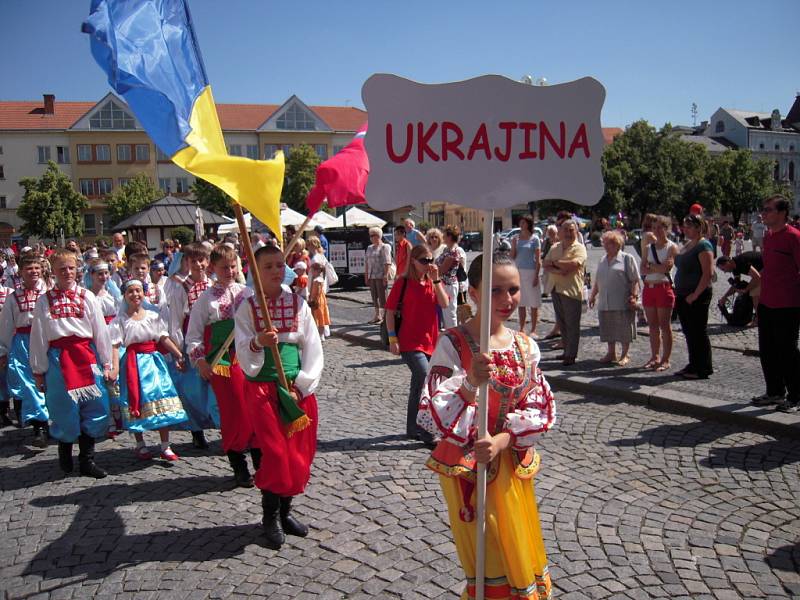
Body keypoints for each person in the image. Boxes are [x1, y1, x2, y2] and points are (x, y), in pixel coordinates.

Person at [416, 251, 556, 600]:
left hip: (508, 463)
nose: (507, 300)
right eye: (495, 290)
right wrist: (469, 383)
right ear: (474, 292)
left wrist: (503, 441)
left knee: (515, 548)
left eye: (513, 290)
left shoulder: (526, 347)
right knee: (485, 555)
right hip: (467, 467)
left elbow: (535, 405)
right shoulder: (454, 343)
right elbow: (433, 406)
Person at [233, 244, 323, 550]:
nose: (274, 271)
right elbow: (243, 347)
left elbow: (312, 347)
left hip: (295, 390)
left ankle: (286, 512)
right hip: (262, 389)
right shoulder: (248, 307)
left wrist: (302, 384)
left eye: (278, 265)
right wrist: (258, 340)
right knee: (274, 454)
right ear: (256, 272)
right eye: (267, 266)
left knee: (299, 454)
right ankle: (269, 516)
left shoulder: (298, 305)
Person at [30, 249, 114, 478]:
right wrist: (38, 370)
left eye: (70, 267)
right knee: (63, 408)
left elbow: (100, 331)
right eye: (61, 269)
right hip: (59, 360)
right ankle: (65, 452)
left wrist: (106, 363)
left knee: (94, 406)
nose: (67, 272)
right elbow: (37, 335)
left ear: (77, 269)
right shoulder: (44, 301)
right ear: (54, 272)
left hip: (86, 356)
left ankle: (87, 459)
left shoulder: (88, 297)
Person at [186, 244, 259, 485]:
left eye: (232, 266)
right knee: (233, 412)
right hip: (223, 363)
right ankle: (238, 465)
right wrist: (200, 362)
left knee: (255, 409)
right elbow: (193, 335)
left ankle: (262, 462)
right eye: (224, 267)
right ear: (213, 268)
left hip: (248, 359)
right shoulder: (205, 299)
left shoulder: (247, 293)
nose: (229, 270)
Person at [109, 279, 187, 461]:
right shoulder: (120, 320)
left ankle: (165, 445)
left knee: (161, 395)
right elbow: (115, 345)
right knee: (136, 400)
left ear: (144, 293)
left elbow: (163, 338)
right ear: (124, 296)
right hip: (132, 364)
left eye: (138, 291)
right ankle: (140, 443)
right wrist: (113, 368)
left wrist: (178, 354)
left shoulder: (153, 316)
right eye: (130, 292)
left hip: (153, 363)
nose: (135, 295)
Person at [386, 244, 449, 442]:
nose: (428, 264)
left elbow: (445, 303)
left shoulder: (432, 282)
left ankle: (412, 427)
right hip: (409, 341)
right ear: (413, 261)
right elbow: (389, 312)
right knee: (424, 377)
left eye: (431, 260)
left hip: (430, 341)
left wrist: (437, 279)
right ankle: (426, 430)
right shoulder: (402, 283)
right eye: (424, 261)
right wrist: (392, 338)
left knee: (418, 384)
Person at [751, 196, 800, 412]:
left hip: (788, 304)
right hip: (767, 302)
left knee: (787, 351)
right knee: (767, 350)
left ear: (782, 213)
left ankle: (796, 395)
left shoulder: (794, 237)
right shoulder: (769, 237)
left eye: (768, 209)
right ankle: (775, 391)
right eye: (763, 209)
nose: (764, 213)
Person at [167, 242, 218, 449]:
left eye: (201, 260)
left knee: (218, 388)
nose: (198, 264)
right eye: (193, 260)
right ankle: (196, 430)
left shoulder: (214, 285)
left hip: (214, 342)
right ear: (187, 262)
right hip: (192, 341)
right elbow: (176, 321)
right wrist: (179, 351)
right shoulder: (181, 289)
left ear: (208, 262)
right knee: (193, 390)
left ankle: (225, 427)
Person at [0, 253, 48, 445]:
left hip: (45, 340)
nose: (33, 272)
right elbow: (6, 325)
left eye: (36, 268)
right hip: (22, 342)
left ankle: (50, 421)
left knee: (49, 383)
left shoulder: (48, 293)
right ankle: (39, 426)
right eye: (29, 268)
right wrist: (3, 351)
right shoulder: (13, 298)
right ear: (20, 272)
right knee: (29, 385)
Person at [589, 231, 640, 366]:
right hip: (605, 301)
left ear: (617, 244)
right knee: (608, 328)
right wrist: (593, 295)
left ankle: (625, 354)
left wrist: (633, 296)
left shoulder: (627, 259)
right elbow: (597, 281)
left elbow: (635, 280)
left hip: (621, 300)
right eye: (604, 243)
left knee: (624, 329)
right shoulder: (602, 259)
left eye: (609, 243)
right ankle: (611, 353)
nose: (606, 246)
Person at [674, 214, 715, 380]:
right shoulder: (687, 244)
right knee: (689, 331)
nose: (685, 229)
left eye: (689, 226)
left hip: (697, 294)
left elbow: (708, 273)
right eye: (684, 226)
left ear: (698, 228)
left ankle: (703, 367)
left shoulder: (703, 245)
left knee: (698, 331)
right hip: (683, 294)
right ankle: (693, 363)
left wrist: (695, 294)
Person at [542, 220, 587, 365]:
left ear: (576, 232)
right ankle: (566, 350)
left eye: (571, 230)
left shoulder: (579, 248)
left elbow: (573, 265)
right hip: (556, 288)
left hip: (571, 290)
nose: (568, 233)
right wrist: (560, 267)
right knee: (562, 323)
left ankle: (571, 355)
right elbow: (545, 263)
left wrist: (555, 264)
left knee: (572, 324)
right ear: (560, 232)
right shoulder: (555, 247)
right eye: (565, 230)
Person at [640, 215, 678, 371]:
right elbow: (642, 269)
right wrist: (656, 266)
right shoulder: (649, 248)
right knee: (652, 326)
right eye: (654, 228)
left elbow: (666, 268)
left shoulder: (672, 247)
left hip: (663, 288)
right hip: (649, 288)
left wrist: (652, 266)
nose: (656, 231)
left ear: (666, 229)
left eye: (659, 228)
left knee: (664, 325)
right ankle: (654, 356)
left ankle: (665, 359)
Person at [511, 215, 542, 336]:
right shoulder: (516, 238)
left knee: (534, 302)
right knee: (521, 302)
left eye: (523, 223)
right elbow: (512, 256)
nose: (521, 225)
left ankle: (534, 329)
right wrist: (514, 245)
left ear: (528, 224)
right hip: (518, 272)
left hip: (531, 271)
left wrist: (536, 275)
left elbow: (538, 259)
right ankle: (522, 327)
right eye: (520, 223)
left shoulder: (535, 239)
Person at [716, 252, 762, 327]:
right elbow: (736, 286)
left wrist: (745, 290)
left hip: (767, 266)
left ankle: (758, 320)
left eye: (723, 269)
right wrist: (725, 297)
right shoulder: (734, 268)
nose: (724, 272)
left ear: (728, 263)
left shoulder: (741, 261)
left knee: (754, 293)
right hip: (759, 271)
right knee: (751, 289)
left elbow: (757, 277)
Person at [436, 226, 461, 329]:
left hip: (449, 286)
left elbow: (442, 270)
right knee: (446, 313)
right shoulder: (447, 249)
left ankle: (454, 337)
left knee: (450, 315)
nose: (442, 236)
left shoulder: (452, 253)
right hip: (445, 285)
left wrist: (433, 268)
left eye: (444, 235)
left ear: (450, 237)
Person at [365, 227, 392, 324]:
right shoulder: (369, 248)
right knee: (374, 296)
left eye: (373, 235)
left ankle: (385, 316)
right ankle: (377, 315)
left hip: (381, 275)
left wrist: (386, 275)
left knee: (382, 296)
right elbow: (367, 263)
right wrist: (366, 275)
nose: (371, 237)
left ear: (378, 236)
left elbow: (387, 262)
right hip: (372, 275)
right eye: (370, 235)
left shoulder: (385, 247)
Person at [307, 261, 331, 340]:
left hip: (317, 300)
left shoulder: (317, 280)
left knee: (318, 316)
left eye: (312, 271)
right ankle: (321, 334)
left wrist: (312, 299)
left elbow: (316, 292)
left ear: (317, 271)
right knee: (321, 316)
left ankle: (320, 334)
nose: (312, 273)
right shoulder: (319, 279)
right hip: (321, 299)